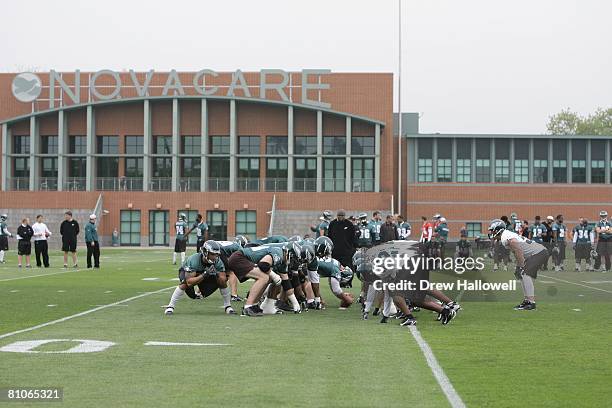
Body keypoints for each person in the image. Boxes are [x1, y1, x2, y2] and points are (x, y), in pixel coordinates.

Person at [488, 219, 548, 311]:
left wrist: (520, 265)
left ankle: (531, 303)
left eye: (492, 230)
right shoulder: (506, 235)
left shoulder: (505, 236)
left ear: (498, 230)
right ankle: (527, 300)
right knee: (521, 274)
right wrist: (518, 266)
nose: (491, 232)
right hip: (536, 252)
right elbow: (517, 251)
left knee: (525, 273)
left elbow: (518, 249)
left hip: (538, 252)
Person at [164, 241, 235, 316]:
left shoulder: (218, 262)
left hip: (204, 274)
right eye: (212, 254)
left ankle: (228, 306)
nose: (215, 257)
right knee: (184, 285)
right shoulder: (194, 260)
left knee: (222, 282)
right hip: (189, 274)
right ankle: (170, 306)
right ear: (205, 252)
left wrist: (217, 274)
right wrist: (204, 274)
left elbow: (223, 279)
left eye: (217, 254)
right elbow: (189, 282)